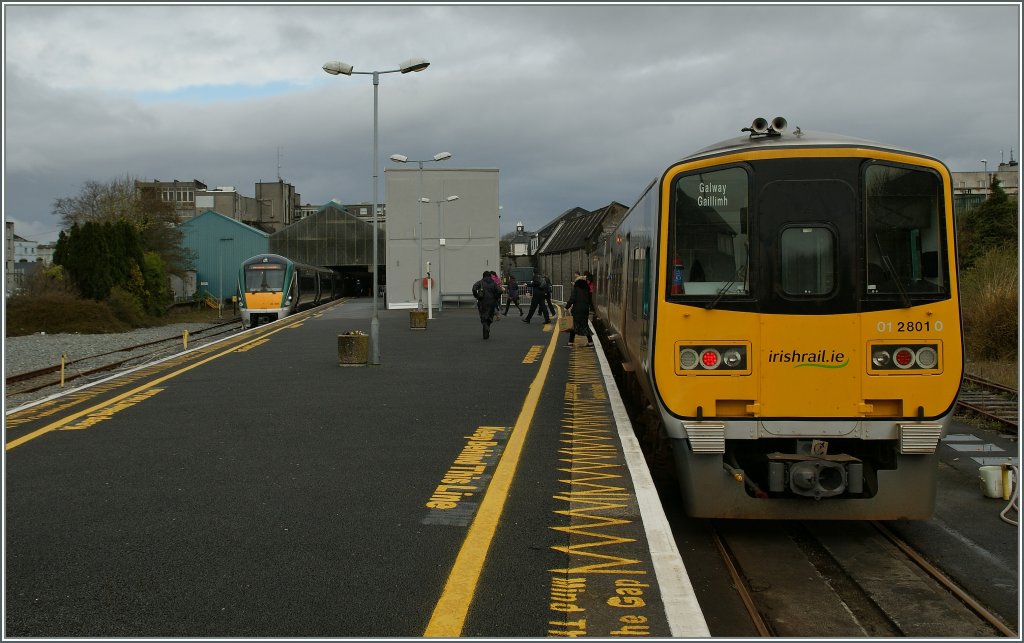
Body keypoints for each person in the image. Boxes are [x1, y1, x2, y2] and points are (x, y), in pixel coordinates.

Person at [565, 271, 595, 347]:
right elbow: (589, 300)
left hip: (577, 309)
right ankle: (590, 342)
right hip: (585, 310)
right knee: (584, 325)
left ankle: (570, 342)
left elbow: (572, 299)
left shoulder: (576, 289)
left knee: (574, 325)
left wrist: (566, 307)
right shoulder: (586, 290)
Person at [472, 270, 504, 339]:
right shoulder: (494, 283)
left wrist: (476, 295)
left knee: (483, 316)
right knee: (490, 316)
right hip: (492, 302)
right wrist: (496, 296)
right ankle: (486, 333)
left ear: (483, 276)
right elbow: (500, 291)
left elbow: (474, 288)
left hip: (482, 302)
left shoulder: (480, 282)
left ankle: (486, 328)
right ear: (490, 276)